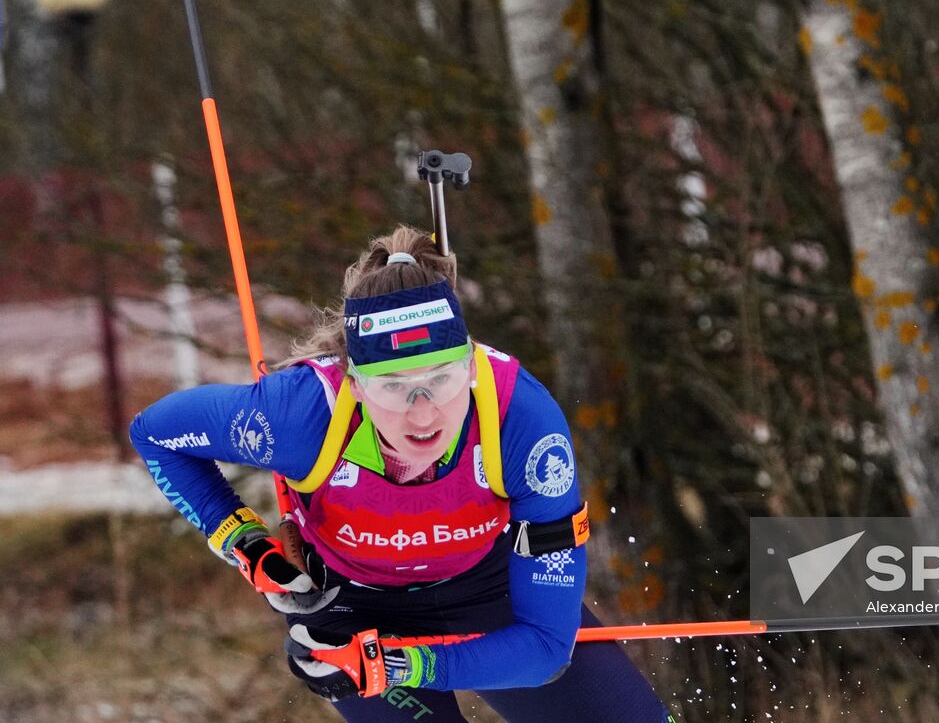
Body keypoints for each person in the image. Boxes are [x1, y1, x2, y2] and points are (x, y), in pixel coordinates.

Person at [131, 227, 676, 722]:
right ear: (356, 384)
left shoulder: (521, 421)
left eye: (440, 379)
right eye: (393, 386)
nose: (422, 413)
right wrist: (243, 542)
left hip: (488, 589)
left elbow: (545, 649)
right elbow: (154, 435)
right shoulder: (297, 417)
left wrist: (403, 666)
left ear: (469, 364)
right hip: (353, 610)